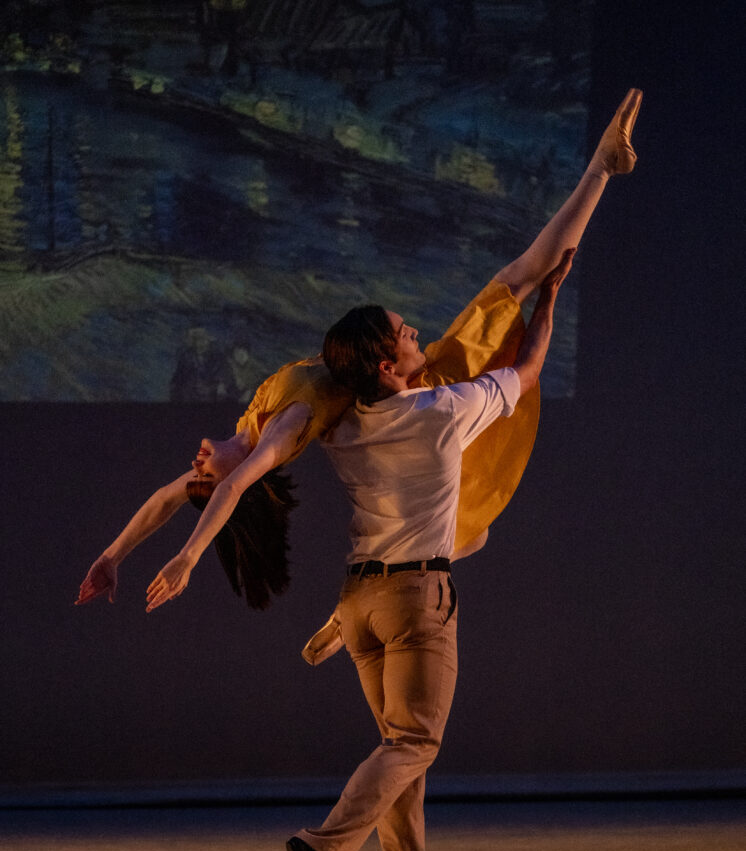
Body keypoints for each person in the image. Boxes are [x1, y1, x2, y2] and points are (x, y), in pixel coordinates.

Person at [76, 89, 642, 615]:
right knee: (517, 286)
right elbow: (230, 489)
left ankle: (599, 168)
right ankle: (599, 170)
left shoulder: (247, 429)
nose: (196, 463)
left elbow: (166, 500)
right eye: (206, 475)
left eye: (194, 473)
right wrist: (187, 559)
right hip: (412, 388)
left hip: (398, 376)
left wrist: (113, 555)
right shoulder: (284, 431)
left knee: (475, 528)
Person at [287, 247, 575, 851]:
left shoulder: (343, 425)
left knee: (398, 744)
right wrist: (548, 298)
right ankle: (322, 848)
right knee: (415, 743)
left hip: (357, 604)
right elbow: (527, 371)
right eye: (407, 333)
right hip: (417, 599)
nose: (419, 334)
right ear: (388, 366)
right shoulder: (444, 410)